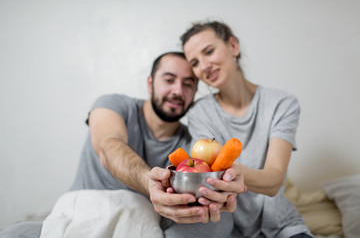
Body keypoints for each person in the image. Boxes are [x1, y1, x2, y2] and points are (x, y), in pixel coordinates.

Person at [0, 51, 235, 238]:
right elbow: (108, 145)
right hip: (85, 215)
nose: (177, 91)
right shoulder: (113, 104)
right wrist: (147, 181)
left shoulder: (191, 143)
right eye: (169, 80)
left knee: (223, 221)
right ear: (150, 83)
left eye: (188, 84)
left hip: (144, 223)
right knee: (14, 234)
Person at [180, 21, 313, 237]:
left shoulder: (281, 104)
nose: (204, 66)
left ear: (233, 46)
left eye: (209, 51)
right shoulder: (199, 113)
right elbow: (209, 174)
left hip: (282, 227)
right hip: (230, 229)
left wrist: (238, 173)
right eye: (195, 62)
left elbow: (274, 180)